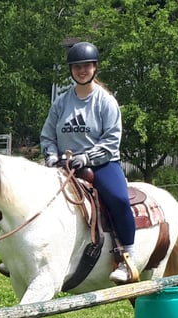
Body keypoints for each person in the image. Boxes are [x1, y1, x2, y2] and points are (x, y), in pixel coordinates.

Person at [40, 41, 139, 283]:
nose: (81, 71)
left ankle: (128, 257)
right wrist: (51, 155)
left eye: (86, 66)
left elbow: (111, 140)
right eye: (76, 67)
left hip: (101, 164)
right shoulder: (61, 102)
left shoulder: (105, 101)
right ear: (71, 70)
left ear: (95, 67)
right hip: (64, 166)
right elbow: (47, 135)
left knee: (118, 199)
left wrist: (88, 157)